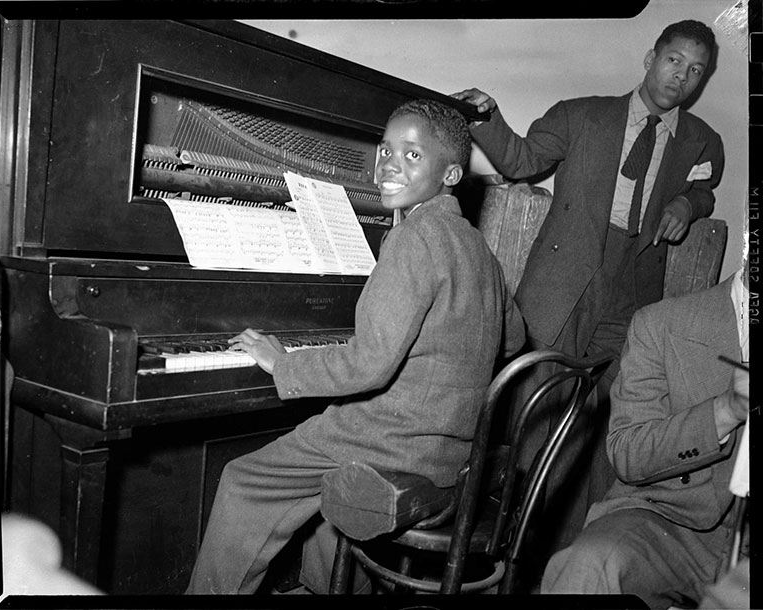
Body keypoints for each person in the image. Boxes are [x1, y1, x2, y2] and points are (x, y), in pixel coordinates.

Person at [185, 99, 525, 594]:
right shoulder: (479, 250)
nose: (389, 163)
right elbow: (512, 338)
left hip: (393, 443)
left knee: (243, 479)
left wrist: (285, 361)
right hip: (448, 451)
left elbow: (368, 364)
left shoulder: (413, 238)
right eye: (386, 149)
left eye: (412, 155)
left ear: (451, 173)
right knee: (322, 479)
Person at [451, 19, 725, 556]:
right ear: (650, 58)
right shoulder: (581, 114)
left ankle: (572, 549)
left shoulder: (701, 140)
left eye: (696, 71)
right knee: (538, 406)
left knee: (606, 418)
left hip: (636, 291)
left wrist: (687, 205)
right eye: (674, 61)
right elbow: (523, 161)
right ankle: (509, 549)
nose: (682, 77)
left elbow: (707, 189)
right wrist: (487, 118)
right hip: (566, 278)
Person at [541, 264, 749, 609]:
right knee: (590, 566)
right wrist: (724, 411)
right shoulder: (662, 323)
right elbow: (628, 452)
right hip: (673, 524)